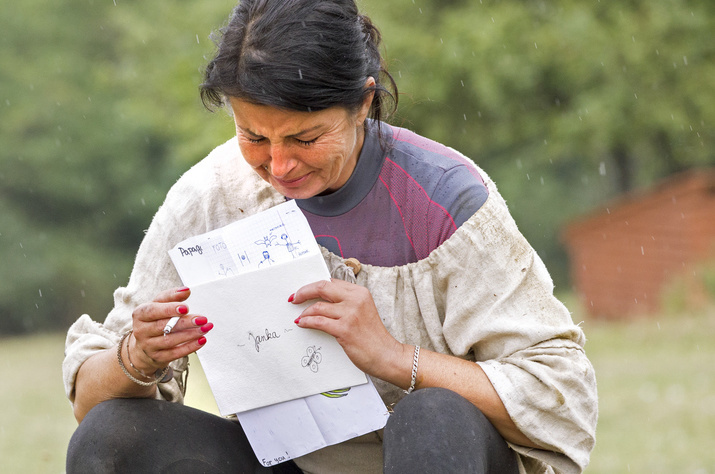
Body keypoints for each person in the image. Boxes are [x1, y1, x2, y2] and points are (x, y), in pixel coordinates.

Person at [63, 0, 598, 472]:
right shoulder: (212, 196)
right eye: (253, 136)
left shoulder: (446, 199)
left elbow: (559, 397)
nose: (278, 164)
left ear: (363, 103)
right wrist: (139, 356)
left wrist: (394, 357)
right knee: (112, 440)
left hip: (438, 456)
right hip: (288, 463)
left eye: (305, 137)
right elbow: (91, 402)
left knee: (434, 417)